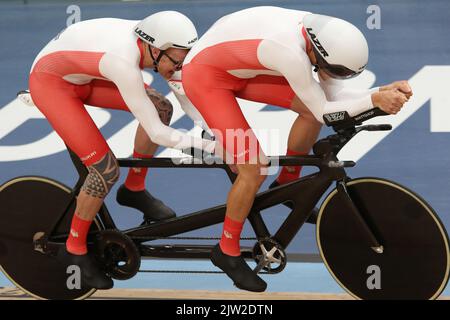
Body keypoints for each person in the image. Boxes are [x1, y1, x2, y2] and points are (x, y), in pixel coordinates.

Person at [176, 6, 413, 292]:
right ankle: (226, 250)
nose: (333, 75)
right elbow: (325, 110)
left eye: (343, 72)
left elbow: (333, 94)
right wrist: (374, 99)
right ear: (316, 52)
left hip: (240, 61)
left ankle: (288, 182)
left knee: (309, 109)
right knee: (253, 167)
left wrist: (382, 92)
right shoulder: (288, 52)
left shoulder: (320, 37)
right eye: (334, 69)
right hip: (205, 76)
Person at [28, 11, 214, 289]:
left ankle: (134, 189)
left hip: (85, 74)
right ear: (155, 48)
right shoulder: (122, 62)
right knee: (104, 170)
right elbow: (156, 133)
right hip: (52, 83)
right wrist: (209, 148)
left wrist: (213, 131)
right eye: (176, 61)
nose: (178, 67)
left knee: (161, 107)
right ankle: (74, 248)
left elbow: (184, 93)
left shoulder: (155, 44)